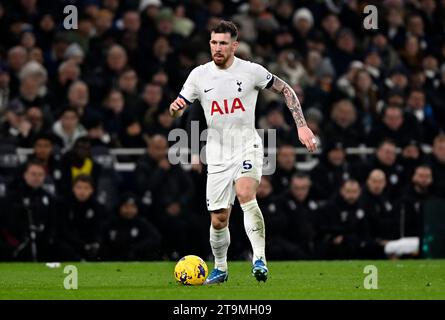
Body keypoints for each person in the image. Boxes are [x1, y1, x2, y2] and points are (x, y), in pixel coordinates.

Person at [169, 21, 317, 284]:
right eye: (214, 42)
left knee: (246, 193)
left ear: (234, 45)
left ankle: (259, 258)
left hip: (247, 146)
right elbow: (185, 103)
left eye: (223, 43)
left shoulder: (251, 71)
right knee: (218, 219)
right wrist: (177, 105)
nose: (217, 47)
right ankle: (221, 268)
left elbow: (285, 89)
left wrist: (302, 126)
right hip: (216, 154)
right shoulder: (199, 75)